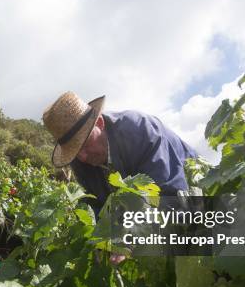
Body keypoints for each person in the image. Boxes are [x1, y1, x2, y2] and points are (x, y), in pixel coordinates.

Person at [42, 91, 197, 214]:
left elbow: (170, 194)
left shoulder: (139, 130)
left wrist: (132, 234)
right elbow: (98, 205)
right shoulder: (79, 161)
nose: (82, 156)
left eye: (85, 144)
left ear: (100, 123)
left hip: (195, 192)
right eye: (75, 151)